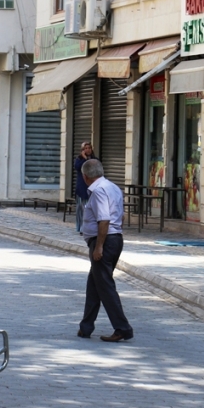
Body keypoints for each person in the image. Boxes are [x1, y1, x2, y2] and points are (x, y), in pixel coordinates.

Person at [77, 159, 133, 342]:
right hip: (114, 239)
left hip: (104, 241)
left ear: (86, 177)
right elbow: (121, 216)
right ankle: (86, 327)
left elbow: (104, 219)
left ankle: (122, 328)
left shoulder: (99, 191)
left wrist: (99, 246)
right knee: (94, 285)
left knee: (105, 286)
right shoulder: (113, 187)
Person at [73, 142, 97, 234]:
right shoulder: (79, 160)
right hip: (82, 187)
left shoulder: (95, 159)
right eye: (85, 148)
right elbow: (78, 167)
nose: (88, 150)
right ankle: (81, 228)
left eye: (89, 148)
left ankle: (89, 227)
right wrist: (84, 158)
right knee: (81, 208)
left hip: (92, 186)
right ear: (82, 150)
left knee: (90, 209)